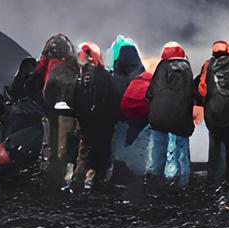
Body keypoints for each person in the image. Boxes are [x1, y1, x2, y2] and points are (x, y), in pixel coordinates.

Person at [196, 38, 229, 202]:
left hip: (214, 114)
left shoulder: (208, 65)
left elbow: (202, 89)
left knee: (215, 146)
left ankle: (213, 179)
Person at [145, 40, 197, 190]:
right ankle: (184, 180)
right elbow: (190, 92)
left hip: (160, 114)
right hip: (181, 115)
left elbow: (152, 91)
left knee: (159, 147)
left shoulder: (162, 67)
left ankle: (157, 178)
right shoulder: (187, 68)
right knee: (182, 147)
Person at [70, 40, 120, 192]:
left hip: (86, 121)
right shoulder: (105, 76)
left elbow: (76, 99)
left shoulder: (79, 76)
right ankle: (96, 183)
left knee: (85, 152)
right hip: (104, 122)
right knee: (102, 153)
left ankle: (77, 182)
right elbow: (112, 100)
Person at [36, 32, 82, 187]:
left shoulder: (53, 67)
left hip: (54, 111)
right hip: (72, 112)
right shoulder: (76, 68)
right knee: (69, 142)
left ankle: (54, 174)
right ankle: (69, 173)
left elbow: (45, 90)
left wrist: (48, 104)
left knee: (54, 141)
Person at [110, 38, 153, 181]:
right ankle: (137, 178)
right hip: (138, 119)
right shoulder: (141, 75)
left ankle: (117, 174)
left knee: (117, 147)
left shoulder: (113, 76)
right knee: (137, 149)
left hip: (117, 118)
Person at [2, 57, 47, 170]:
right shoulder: (30, 76)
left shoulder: (48, 76)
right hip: (28, 113)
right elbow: (14, 92)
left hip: (37, 114)